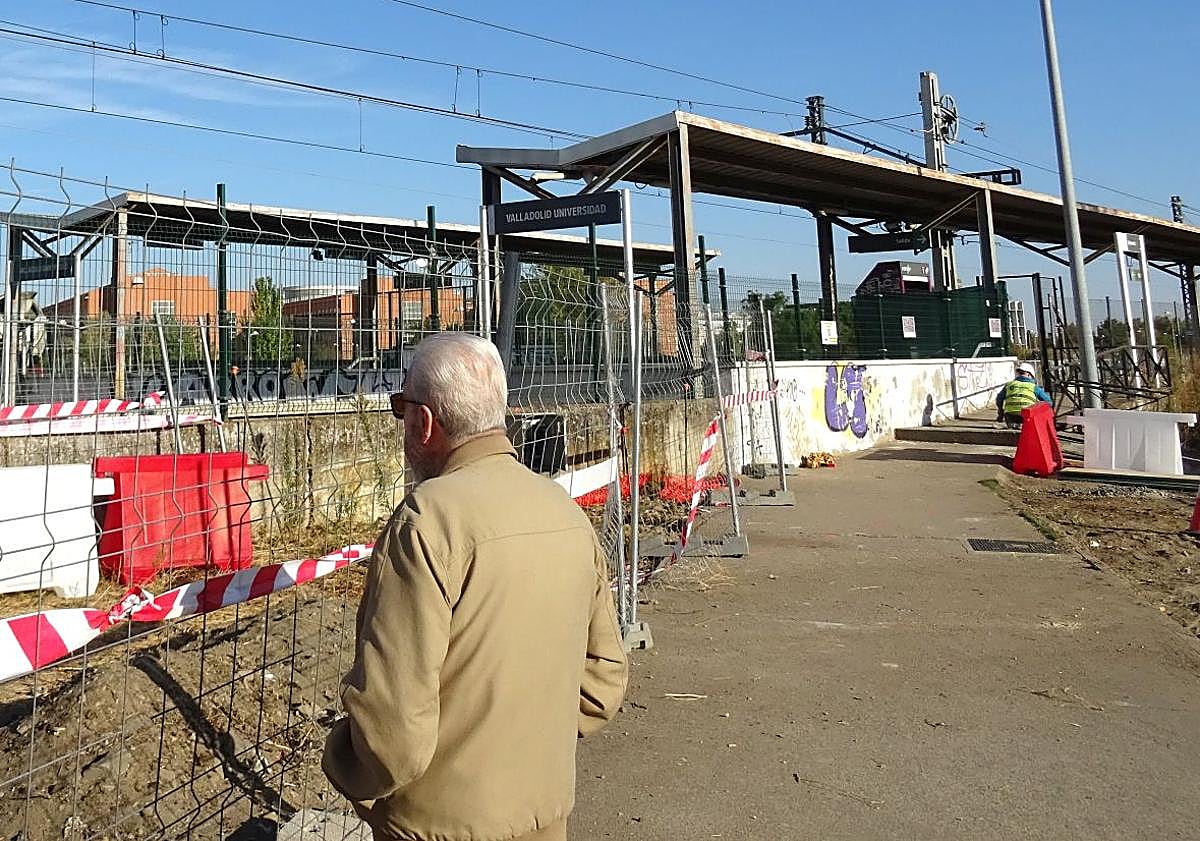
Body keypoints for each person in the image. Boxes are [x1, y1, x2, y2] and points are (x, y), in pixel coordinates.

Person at [322, 333, 627, 841]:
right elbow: (603, 684)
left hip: (435, 825)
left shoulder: (426, 523)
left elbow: (393, 734)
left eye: (402, 409)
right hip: (543, 813)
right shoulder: (566, 513)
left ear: (424, 422)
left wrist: (344, 762)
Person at [995, 363, 1051, 427]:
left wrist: (1001, 412)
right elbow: (1048, 402)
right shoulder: (1034, 387)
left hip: (1010, 416)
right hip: (1026, 417)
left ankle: (1013, 425)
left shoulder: (1009, 385)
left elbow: (999, 399)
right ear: (1029, 375)